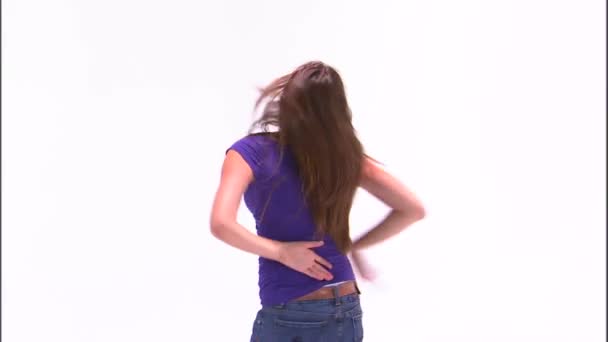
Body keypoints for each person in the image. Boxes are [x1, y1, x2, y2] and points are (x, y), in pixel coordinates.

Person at [210, 61, 426, 341]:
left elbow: (221, 223)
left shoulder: (250, 152)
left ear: (287, 98)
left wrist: (281, 252)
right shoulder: (345, 157)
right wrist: (354, 246)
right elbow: (412, 209)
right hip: (346, 303)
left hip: (291, 309)